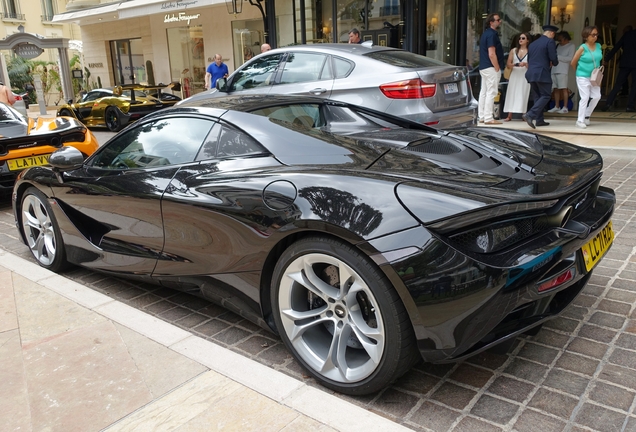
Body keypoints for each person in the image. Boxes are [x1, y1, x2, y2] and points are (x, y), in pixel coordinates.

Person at [524, 24, 559, 129]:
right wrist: (555, 62)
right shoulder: (550, 41)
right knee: (546, 95)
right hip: (542, 73)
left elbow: (530, 60)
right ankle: (530, 114)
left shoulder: (533, 44)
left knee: (537, 96)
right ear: (552, 33)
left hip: (531, 73)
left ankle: (539, 120)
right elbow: (553, 57)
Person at [571, 26, 603, 128]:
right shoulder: (582, 48)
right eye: (593, 35)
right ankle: (580, 120)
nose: (595, 37)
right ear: (586, 36)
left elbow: (599, 60)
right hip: (582, 76)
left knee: (597, 96)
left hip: (594, 76)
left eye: (596, 34)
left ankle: (587, 115)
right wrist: (579, 73)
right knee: (584, 97)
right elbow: (573, 62)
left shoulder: (598, 46)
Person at [478, 13, 504, 125]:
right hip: (490, 66)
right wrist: (497, 66)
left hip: (484, 67)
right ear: (491, 22)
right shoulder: (492, 35)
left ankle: (482, 116)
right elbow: (492, 53)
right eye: (498, 20)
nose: (500, 22)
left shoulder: (485, 34)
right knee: (491, 92)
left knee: (484, 92)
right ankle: (488, 117)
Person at [601, 26, 636, 112]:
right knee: (634, 86)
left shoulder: (628, 34)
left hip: (625, 63)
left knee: (618, 84)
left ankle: (608, 103)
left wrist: (606, 59)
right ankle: (630, 106)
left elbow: (616, 47)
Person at [503, 32, 531, 122]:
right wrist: (515, 64)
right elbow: (508, 64)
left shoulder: (530, 51)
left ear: (527, 40)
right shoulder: (514, 50)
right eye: (520, 38)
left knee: (523, 93)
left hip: (525, 74)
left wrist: (525, 64)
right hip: (514, 73)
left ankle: (524, 114)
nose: (521, 40)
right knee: (512, 92)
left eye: (523, 38)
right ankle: (509, 114)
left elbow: (533, 64)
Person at [548, 31, 575, 113]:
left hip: (563, 70)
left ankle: (565, 107)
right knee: (555, 89)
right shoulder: (558, 46)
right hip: (554, 69)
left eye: (561, 39)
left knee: (564, 89)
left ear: (565, 38)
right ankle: (557, 106)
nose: (559, 41)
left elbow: (570, 58)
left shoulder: (571, 46)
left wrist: (558, 57)